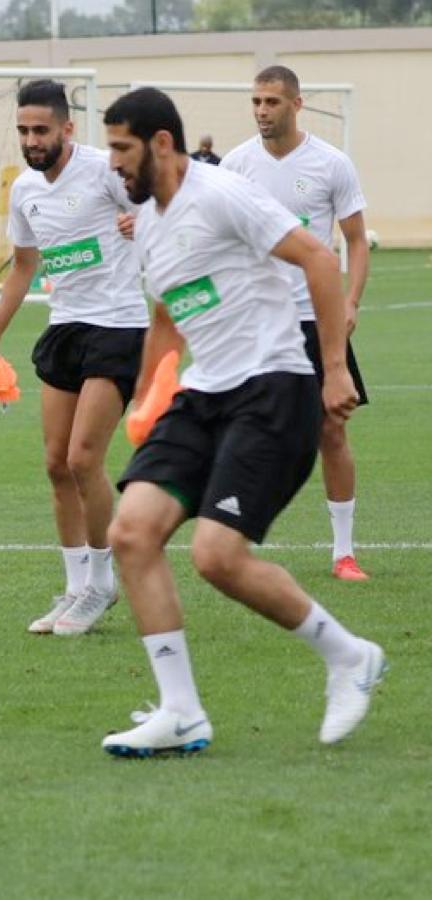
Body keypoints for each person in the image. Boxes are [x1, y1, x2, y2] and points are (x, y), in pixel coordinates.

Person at [100, 88, 386, 757]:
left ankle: (349, 656)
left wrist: (335, 368)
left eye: (121, 148)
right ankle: (181, 712)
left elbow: (318, 258)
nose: (112, 163)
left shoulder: (222, 192)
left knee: (215, 557)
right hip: (203, 394)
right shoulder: (145, 228)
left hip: (273, 388)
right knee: (132, 533)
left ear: (161, 144)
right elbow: (169, 317)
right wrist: (145, 395)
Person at [0, 80, 149, 637]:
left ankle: (102, 581)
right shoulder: (25, 191)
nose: (31, 139)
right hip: (65, 327)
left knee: (82, 459)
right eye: (23, 131)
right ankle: (76, 587)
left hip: (118, 326)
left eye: (41, 130)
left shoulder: (103, 171)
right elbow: (25, 265)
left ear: (67, 129)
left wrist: (141, 224)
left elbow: (167, 210)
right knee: (54, 464)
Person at [221, 65, 373, 581]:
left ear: (297, 104)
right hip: (259, 321)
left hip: (317, 318)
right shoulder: (236, 164)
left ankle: (344, 552)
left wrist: (349, 301)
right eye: (257, 102)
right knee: (253, 433)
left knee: (332, 431)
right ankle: (236, 540)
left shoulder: (332, 164)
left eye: (272, 102)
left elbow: (355, 239)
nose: (263, 111)